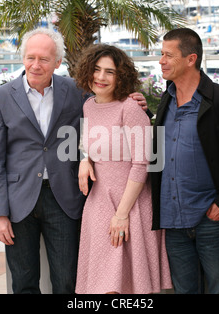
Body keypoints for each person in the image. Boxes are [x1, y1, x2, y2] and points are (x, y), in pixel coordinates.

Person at [0, 28, 147, 294]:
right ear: (22, 58)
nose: (35, 65)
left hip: (64, 197)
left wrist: (137, 101)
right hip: (17, 201)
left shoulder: (75, 91)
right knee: (23, 281)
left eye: (44, 59)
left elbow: (105, 109)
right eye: (30, 57)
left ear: (57, 62)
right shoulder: (0, 97)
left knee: (67, 281)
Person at [74, 44, 172, 294]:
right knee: (101, 284)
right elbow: (89, 140)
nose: (101, 77)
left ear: (121, 76)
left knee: (125, 286)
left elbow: (142, 163)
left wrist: (121, 214)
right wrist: (85, 158)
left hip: (131, 203)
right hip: (98, 203)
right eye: (96, 70)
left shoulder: (130, 109)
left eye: (110, 72)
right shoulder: (88, 105)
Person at [150, 28, 219, 294]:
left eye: (168, 55)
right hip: (173, 223)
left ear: (191, 59)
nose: (161, 61)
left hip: (212, 220)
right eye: (161, 54)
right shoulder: (164, 100)